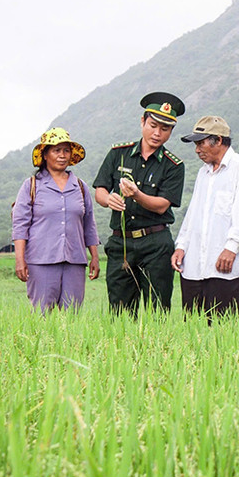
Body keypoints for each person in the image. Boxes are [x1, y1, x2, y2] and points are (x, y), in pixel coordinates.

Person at [93, 92, 186, 315]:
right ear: (143, 122)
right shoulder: (118, 154)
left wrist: (136, 194)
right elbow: (100, 190)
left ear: (171, 131)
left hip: (156, 243)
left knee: (158, 310)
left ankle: (157, 349)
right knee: (120, 312)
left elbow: (163, 204)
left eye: (165, 129)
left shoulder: (174, 165)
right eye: (153, 125)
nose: (157, 133)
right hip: (121, 242)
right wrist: (109, 199)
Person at [171, 116, 239, 323]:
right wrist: (181, 245)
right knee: (192, 326)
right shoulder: (204, 173)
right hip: (194, 265)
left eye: (201, 143)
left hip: (225, 265)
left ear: (218, 140)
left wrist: (232, 247)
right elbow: (193, 213)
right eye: (196, 144)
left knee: (222, 327)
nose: (197, 149)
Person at [12, 127, 100, 312]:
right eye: (56, 150)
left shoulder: (80, 186)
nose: (62, 155)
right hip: (41, 260)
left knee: (72, 316)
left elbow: (89, 224)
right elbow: (20, 225)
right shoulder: (31, 185)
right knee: (41, 315)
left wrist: (95, 257)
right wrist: (20, 260)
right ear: (45, 154)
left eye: (66, 150)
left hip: (75, 261)